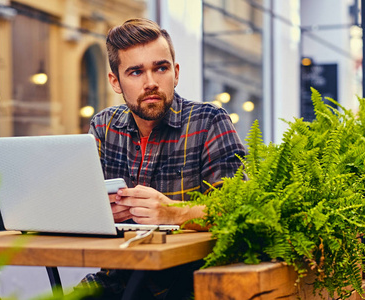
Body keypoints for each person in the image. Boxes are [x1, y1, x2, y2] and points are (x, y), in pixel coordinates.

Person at [81, 18, 246, 299]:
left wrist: (175, 213)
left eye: (161, 68)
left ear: (176, 72)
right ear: (115, 81)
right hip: (117, 278)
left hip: (187, 284)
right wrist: (99, 215)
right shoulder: (104, 126)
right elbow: (83, 207)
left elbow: (239, 213)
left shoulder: (209, 122)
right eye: (135, 72)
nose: (151, 83)